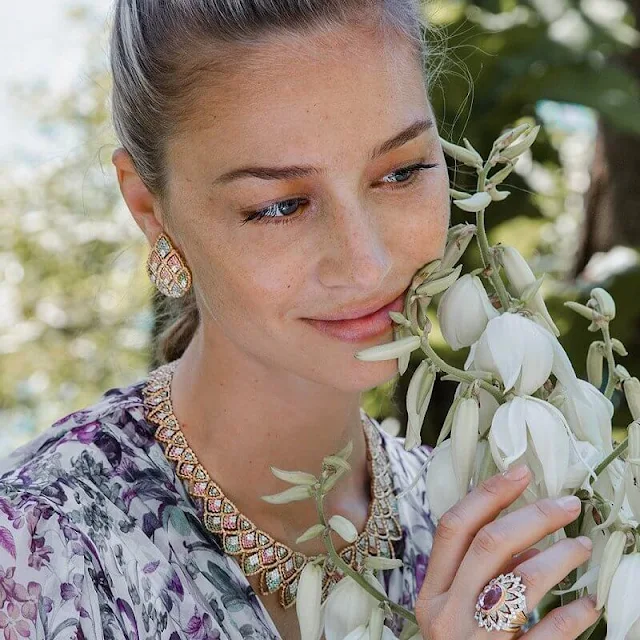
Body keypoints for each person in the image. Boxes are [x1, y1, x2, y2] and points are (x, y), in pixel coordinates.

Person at [0, 0, 601, 638]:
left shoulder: (470, 515)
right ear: (151, 210)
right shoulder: (35, 549)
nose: (366, 266)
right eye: (279, 207)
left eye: (402, 172)